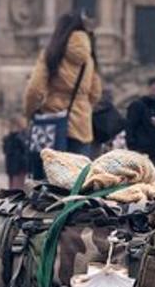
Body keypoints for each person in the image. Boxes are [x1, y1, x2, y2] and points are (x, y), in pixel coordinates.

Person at [23, 12, 103, 178]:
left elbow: (34, 90)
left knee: (48, 181)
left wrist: (30, 113)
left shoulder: (51, 53)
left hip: (51, 124)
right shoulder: (89, 59)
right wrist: (83, 107)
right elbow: (95, 93)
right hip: (81, 126)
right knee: (77, 182)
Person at [125, 78, 155, 169]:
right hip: (141, 149)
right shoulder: (138, 105)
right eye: (154, 90)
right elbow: (130, 126)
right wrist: (132, 145)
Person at [2, 117, 30, 190]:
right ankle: (14, 198)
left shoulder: (9, 137)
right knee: (16, 185)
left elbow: (5, 150)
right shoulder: (18, 136)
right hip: (17, 164)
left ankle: (13, 198)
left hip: (15, 164)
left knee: (14, 184)